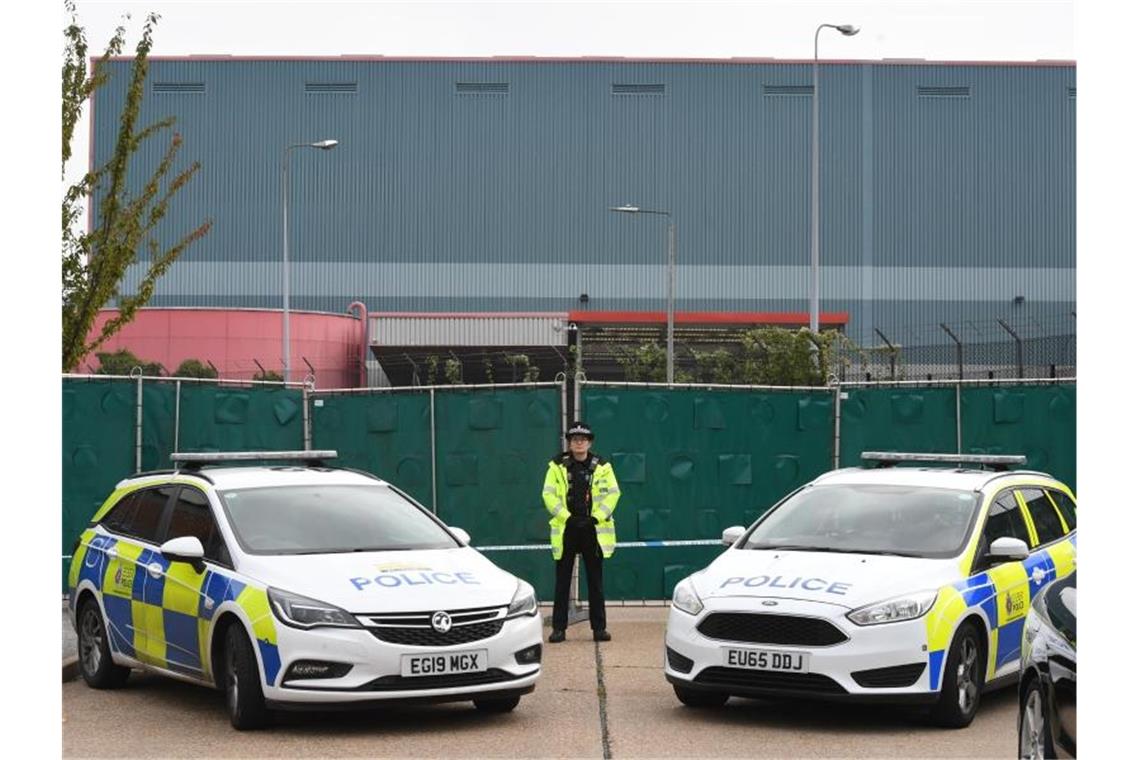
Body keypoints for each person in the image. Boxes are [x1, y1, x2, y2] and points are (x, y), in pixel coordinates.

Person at [542, 420, 620, 643]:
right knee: (562, 581)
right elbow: (548, 495)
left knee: (595, 581)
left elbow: (614, 494)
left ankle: (599, 629)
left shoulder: (603, 466)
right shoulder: (556, 465)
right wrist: (567, 518)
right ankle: (558, 628)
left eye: (583, 439)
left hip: (592, 530)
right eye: (574, 439)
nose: (579, 443)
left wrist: (595, 518)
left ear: (589, 442)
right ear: (569, 442)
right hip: (567, 529)